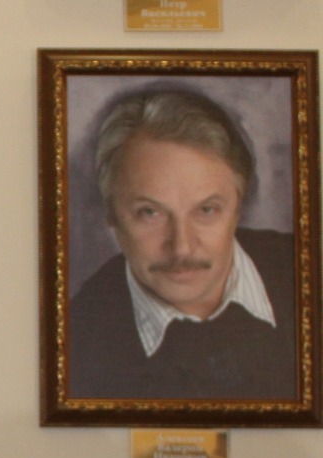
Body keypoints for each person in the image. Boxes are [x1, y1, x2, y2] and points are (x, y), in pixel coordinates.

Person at [68, 87, 298, 401]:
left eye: (207, 210)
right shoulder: (75, 338)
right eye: (150, 213)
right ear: (111, 215)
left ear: (238, 207)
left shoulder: (307, 271)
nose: (182, 248)